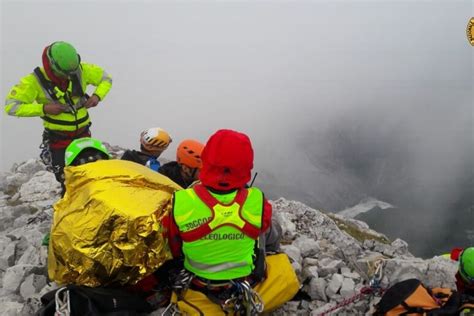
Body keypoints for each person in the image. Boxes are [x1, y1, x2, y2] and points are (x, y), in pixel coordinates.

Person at [163, 129, 290, 314]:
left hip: (197, 282)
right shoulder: (258, 201)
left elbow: (174, 246)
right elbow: (269, 234)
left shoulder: (181, 200)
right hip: (242, 281)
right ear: (247, 164)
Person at [4, 41, 113, 188]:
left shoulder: (80, 70)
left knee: (93, 175)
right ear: (52, 65)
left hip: (83, 134)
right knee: (67, 181)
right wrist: (44, 108)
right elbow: (11, 106)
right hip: (59, 140)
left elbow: (105, 79)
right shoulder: (34, 81)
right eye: (65, 74)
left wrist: (97, 96)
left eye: (72, 73)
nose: (69, 77)